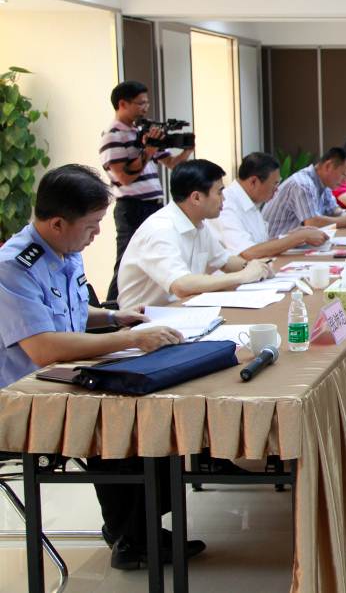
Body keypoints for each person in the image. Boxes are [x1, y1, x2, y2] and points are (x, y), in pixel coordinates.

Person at [0, 164, 201, 570]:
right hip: (19, 401)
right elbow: (44, 346)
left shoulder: (63, 249)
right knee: (120, 418)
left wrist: (112, 317)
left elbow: (65, 313)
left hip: (56, 384)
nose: (96, 235)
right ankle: (132, 538)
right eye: (91, 225)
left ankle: (136, 529)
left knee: (147, 405)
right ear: (58, 223)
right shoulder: (13, 267)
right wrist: (130, 339)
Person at [116, 160, 273, 310]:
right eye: (219, 192)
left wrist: (256, 267)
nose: (224, 198)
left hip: (182, 311)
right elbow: (181, 285)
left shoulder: (198, 224)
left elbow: (225, 261)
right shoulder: (161, 229)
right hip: (144, 321)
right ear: (196, 197)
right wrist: (243, 276)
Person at [100, 80, 194, 302]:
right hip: (132, 207)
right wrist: (148, 150)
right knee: (127, 260)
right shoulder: (113, 134)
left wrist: (186, 150)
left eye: (146, 103)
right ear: (122, 104)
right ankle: (114, 308)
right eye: (140, 103)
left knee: (152, 258)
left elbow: (172, 164)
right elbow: (123, 178)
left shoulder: (141, 132)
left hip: (152, 206)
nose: (145, 108)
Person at [210, 152, 329, 260]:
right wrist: (299, 237)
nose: (277, 190)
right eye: (275, 184)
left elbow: (260, 244)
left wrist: (290, 236)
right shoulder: (226, 205)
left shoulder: (250, 201)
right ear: (253, 182)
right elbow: (248, 252)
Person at [261, 147, 346, 236]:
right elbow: (313, 222)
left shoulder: (325, 183)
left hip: (295, 244)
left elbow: (333, 211)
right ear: (328, 166)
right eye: (343, 174)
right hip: (276, 246)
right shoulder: (303, 184)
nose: (345, 181)